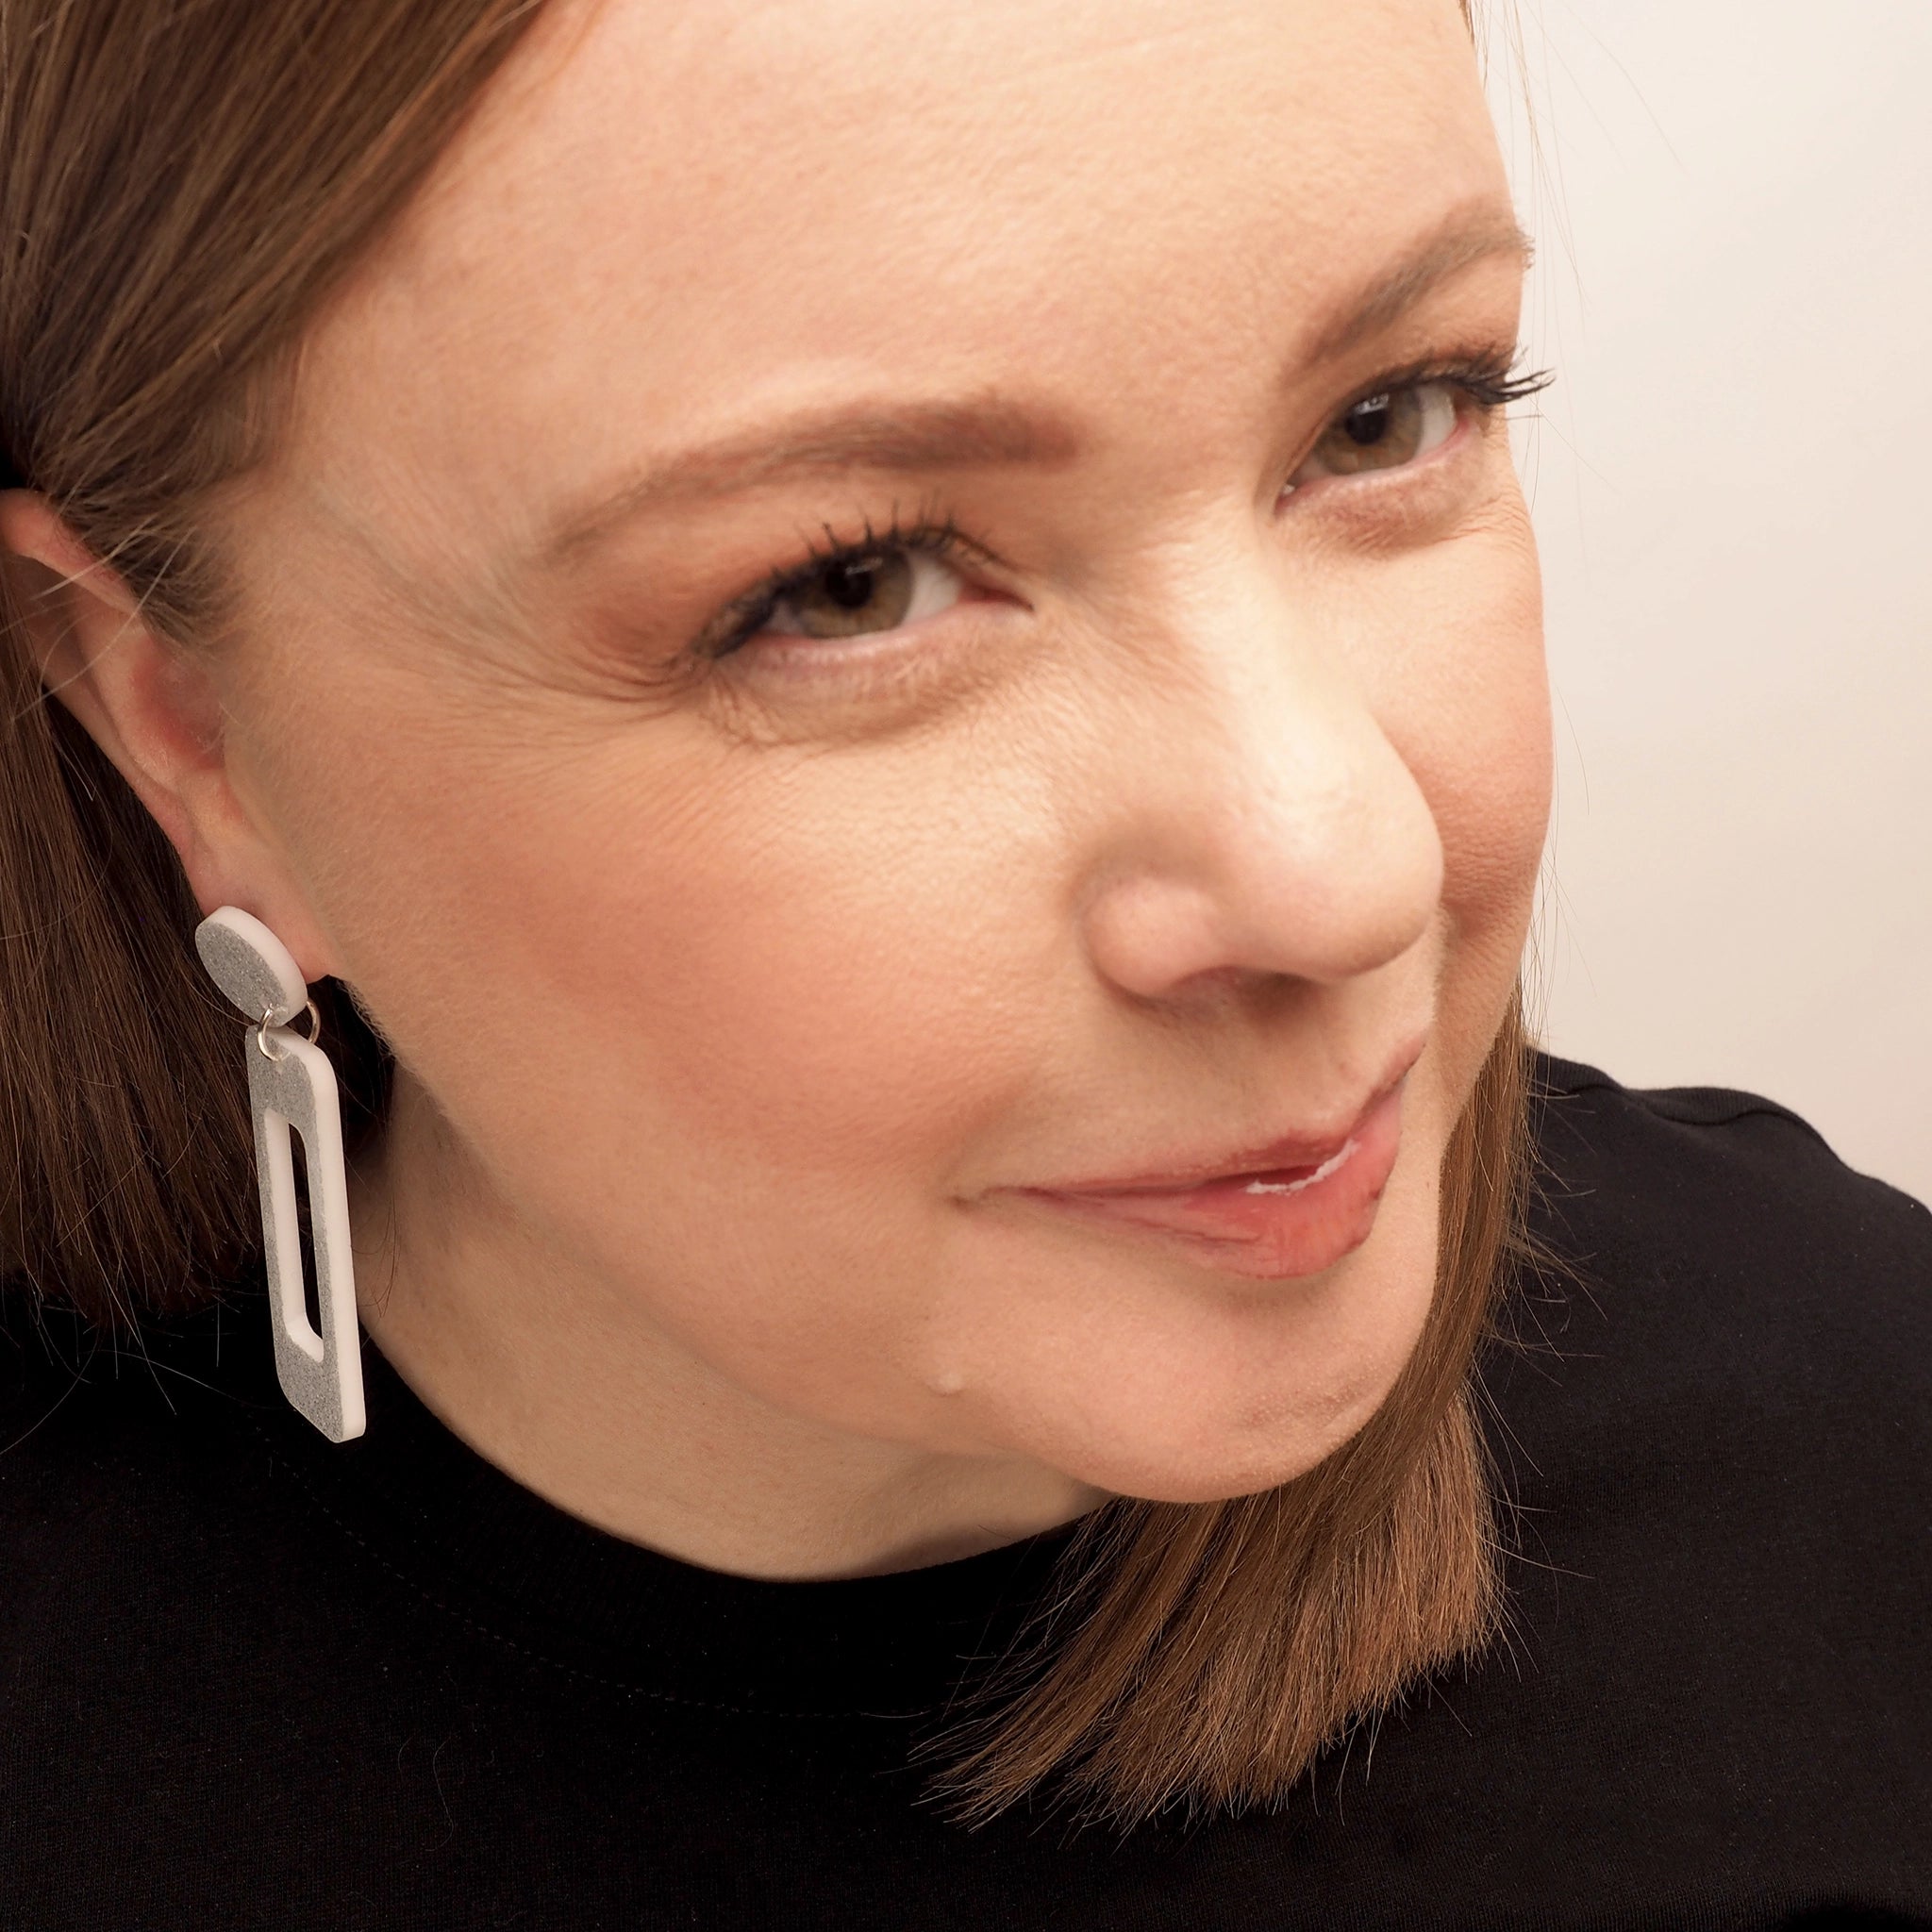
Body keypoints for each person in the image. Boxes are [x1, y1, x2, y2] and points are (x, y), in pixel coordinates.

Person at [0, 0, 1925, 1924]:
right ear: (192, 729)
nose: (1343, 868)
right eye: (852, 584)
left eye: (1389, 412)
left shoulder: (1859, 1471)